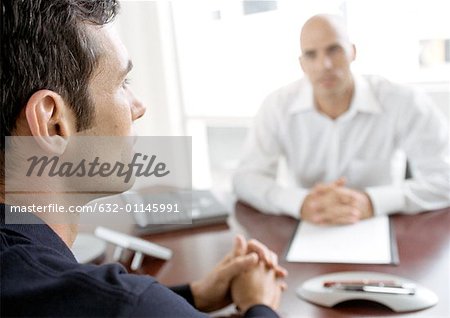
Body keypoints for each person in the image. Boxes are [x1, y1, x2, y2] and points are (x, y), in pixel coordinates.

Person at [0, 1, 287, 317]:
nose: (139, 106)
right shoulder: (128, 303)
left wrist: (192, 296)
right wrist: (260, 304)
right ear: (53, 123)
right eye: (122, 83)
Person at [233, 14, 450, 225]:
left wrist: (372, 202)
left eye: (333, 49)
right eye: (311, 54)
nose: (324, 65)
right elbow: (245, 178)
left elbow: (445, 178)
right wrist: (301, 202)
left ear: (352, 52)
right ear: (301, 63)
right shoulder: (277, 106)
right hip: (310, 225)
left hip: (383, 227)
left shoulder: (404, 101)